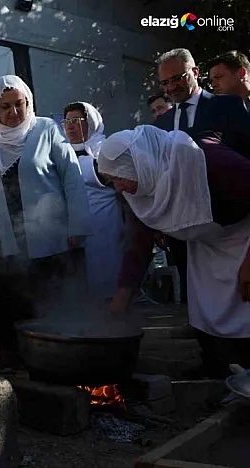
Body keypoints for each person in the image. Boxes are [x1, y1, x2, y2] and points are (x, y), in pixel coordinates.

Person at [99, 126, 250, 377]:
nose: (118, 188)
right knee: (208, 309)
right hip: (206, 245)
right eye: (112, 180)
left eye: (119, 178)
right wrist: (120, 301)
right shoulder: (141, 188)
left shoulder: (206, 159)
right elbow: (138, 246)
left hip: (244, 235)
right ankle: (218, 370)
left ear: (141, 162)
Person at [0, 75, 90, 363]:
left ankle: (61, 358)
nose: (14, 113)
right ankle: (23, 360)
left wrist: (78, 226)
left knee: (55, 300)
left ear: (28, 102)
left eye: (19, 104)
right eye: (5, 107)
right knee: (17, 301)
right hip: (10, 239)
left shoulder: (47, 130)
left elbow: (72, 179)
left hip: (53, 237)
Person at [153, 48, 250, 305]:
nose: (171, 87)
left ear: (195, 72)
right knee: (193, 288)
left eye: (178, 78)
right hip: (181, 223)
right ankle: (196, 325)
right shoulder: (161, 123)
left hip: (228, 222)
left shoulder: (227, 105)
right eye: (165, 82)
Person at [62, 102, 124, 299]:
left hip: (106, 231)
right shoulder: (63, 156)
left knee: (107, 283)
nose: (70, 126)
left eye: (76, 121)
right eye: (66, 121)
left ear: (92, 122)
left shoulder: (106, 154)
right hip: (76, 236)